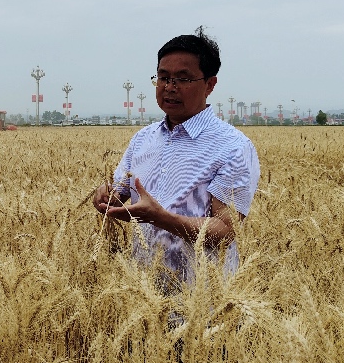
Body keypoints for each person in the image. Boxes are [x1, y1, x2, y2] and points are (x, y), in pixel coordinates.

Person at [93, 29, 259, 293]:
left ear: (210, 84)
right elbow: (118, 193)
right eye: (163, 77)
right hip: (142, 297)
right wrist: (106, 196)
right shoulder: (142, 139)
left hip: (204, 307)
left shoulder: (233, 147)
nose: (169, 87)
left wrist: (161, 218)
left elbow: (227, 229)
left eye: (183, 78)